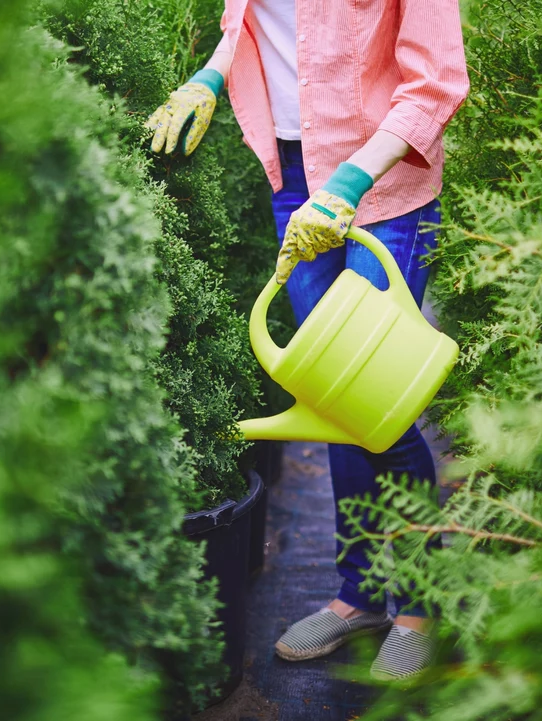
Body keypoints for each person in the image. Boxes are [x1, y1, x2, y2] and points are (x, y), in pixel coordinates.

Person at [146, 0, 468, 680]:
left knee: (375, 398)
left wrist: (351, 179)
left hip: (383, 186)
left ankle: (416, 602)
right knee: (329, 390)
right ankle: (359, 594)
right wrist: (212, 73)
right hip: (293, 174)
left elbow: (438, 79)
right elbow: (258, 19)